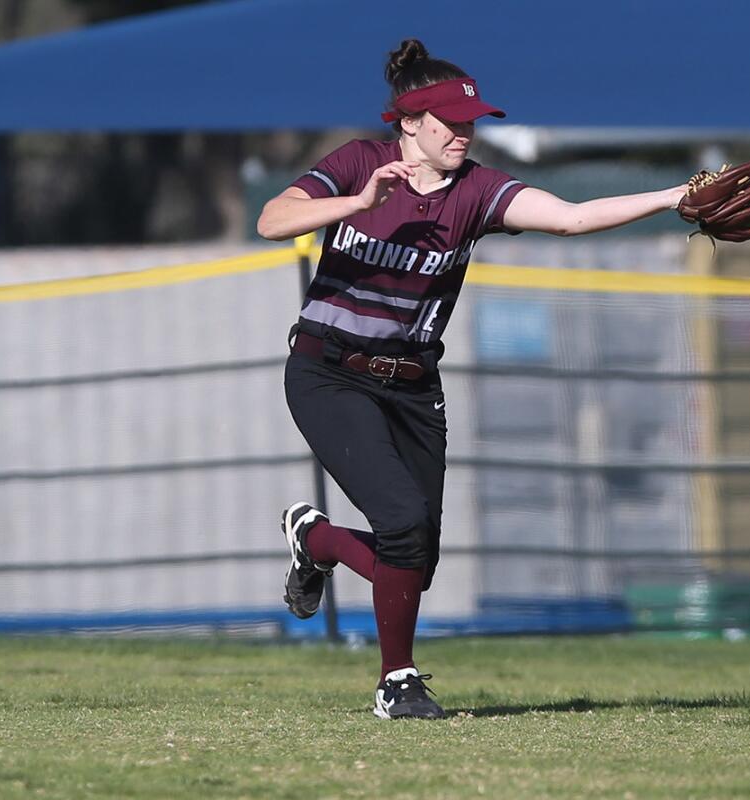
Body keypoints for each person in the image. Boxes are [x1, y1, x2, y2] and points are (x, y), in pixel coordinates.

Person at [257, 38, 691, 720]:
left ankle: (316, 539)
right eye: (448, 124)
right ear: (408, 123)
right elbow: (271, 219)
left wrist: (677, 195)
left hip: (412, 387)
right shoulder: (358, 163)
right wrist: (355, 202)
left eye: (471, 123)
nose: (464, 134)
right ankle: (397, 682)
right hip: (329, 371)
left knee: (415, 562)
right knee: (400, 526)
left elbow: (571, 219)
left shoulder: (477, 191)